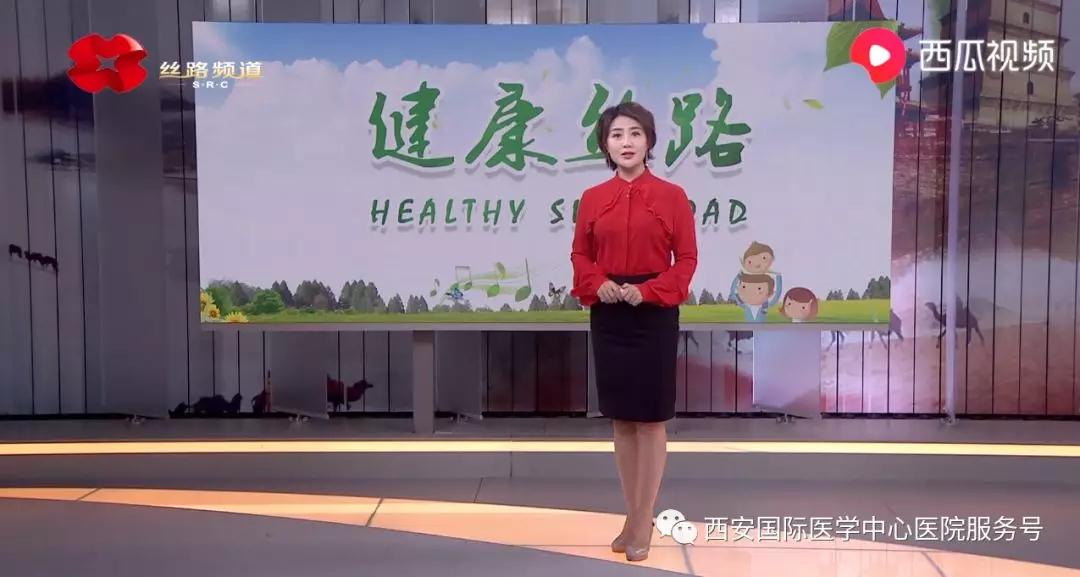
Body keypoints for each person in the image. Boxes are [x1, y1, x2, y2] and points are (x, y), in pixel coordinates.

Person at [570, 101, 698, 562]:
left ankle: (643, 519)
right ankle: (633, 515)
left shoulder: (672, 196)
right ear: (605, 145)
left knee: (650, 419)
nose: (626, 142)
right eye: (617, 135)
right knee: (622, 419)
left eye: (635, 133)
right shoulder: (591, 198)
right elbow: (580, 255)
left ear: (649, 141)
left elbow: (686, 260)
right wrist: (597, 283)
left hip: (653, 312)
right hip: (609, 313)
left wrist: (648, 291)